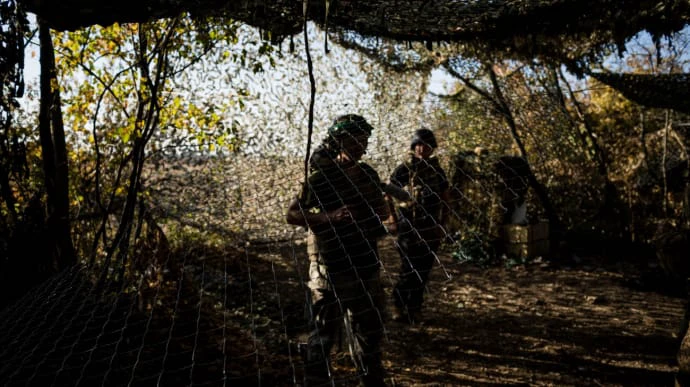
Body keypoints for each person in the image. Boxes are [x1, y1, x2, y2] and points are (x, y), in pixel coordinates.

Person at [286, 114, 390, 386]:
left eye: (363, 139)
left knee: (370, 333)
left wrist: (378, 212)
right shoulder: (321, 178)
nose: (358, 144)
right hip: (331, 267)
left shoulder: (368, 174)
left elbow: (383, 210)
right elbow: (293, 214)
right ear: (338, 141)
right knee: (323, 334)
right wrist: (330, 217)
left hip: (366, 263)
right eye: (352, 138)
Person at [389, 128, 450, 323]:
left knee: (423, 271)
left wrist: (443, 224)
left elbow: (445, 198)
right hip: (409, 228)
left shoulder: (436, 171)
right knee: (408, 269)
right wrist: (393, 220)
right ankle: (398, 305)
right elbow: (388, 193)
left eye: (427, 145)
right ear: (414, 147)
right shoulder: (404, 169)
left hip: (430, 228)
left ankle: (415, 309)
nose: (423, 149)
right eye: (420, 144)